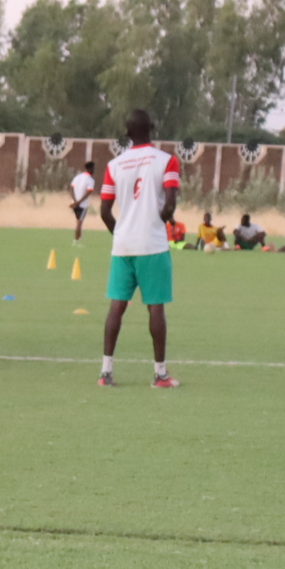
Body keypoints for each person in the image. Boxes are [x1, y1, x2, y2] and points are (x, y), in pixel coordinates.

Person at [97, 107, 180, 389]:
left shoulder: (114, 165)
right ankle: (160, 374)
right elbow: (169, 204)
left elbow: (105, 211)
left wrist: (120, 231)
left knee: (116, 307)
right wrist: (160, 221)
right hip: (152, 245)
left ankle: (106, 372)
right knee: (155, 308)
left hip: (123, 245)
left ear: (127, 133)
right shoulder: (167, 161)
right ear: (152, 128)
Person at [70, 157, 97, 241]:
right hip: (82, 205)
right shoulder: (90, 180)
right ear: (90, 169)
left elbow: (71, 189)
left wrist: (74, 201)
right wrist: (79, 202)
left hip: (75, 203)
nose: (93, 170)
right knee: (79, 223)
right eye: (93, 168)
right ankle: (76, 240)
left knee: (78, 221)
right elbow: (88, 192)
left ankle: (79, 238)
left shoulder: (78, 177)